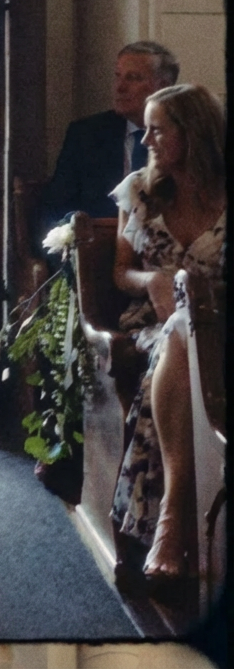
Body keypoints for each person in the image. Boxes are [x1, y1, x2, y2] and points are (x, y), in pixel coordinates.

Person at [108, 83, 226, 588]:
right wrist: (152, 280)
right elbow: (120, 272)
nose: (146, 140)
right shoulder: (139, 190)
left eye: (157, 130)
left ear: (192, 133)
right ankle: (173, 521)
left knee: (196, 331)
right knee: (180, 328)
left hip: (220, 323)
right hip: (154, 324)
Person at [43, 41, 179, 228]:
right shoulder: (86, 134)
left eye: (133, 78)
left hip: (161, 240)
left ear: (163, 86)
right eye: (118, 76)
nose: (119, 87)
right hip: (94, 241)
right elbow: (56, 207)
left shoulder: (184, 136)